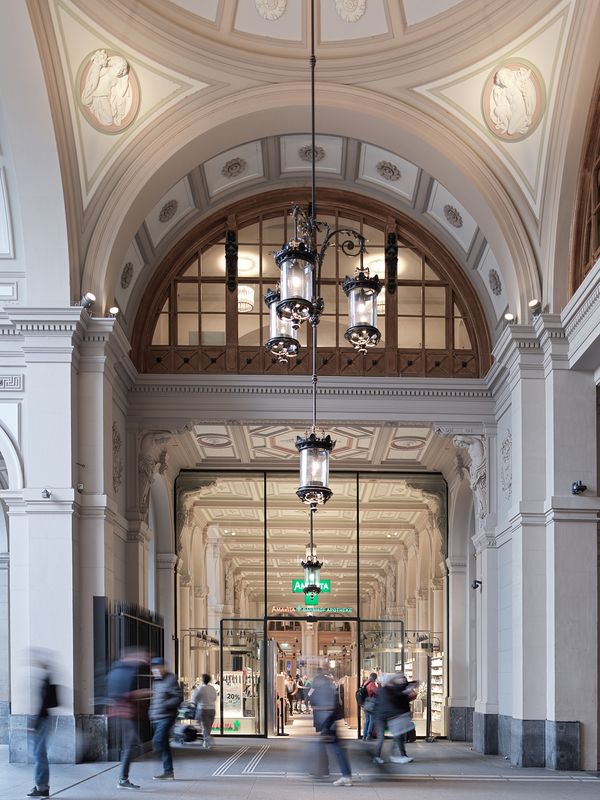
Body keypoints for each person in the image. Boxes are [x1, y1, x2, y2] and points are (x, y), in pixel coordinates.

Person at [106, 648, 150, 790]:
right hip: (125, 713)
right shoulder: (125, 672)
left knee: (129, 745)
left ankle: (123, 778)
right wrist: (144, 693)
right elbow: (124, 694)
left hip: (120, 713)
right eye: (140, 657)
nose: (142, 660)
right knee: (129, 746)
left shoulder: (117, 670)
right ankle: (123, 779)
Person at [308, 668, 353, 786]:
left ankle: (338, 774)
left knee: (335, 748)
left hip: (327, 721)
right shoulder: (329, 684)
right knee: (330, 747)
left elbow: (311, 697)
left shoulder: (319, 684)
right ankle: (325, 771)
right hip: (328, 721)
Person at [27, 661, 59, 798]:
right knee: (40, 754)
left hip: (43, 720)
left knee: (39, 754)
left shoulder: (47, 680)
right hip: (44, 719)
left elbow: (44, 704)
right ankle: (42, 786)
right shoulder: (48, 679)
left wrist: (35, 724)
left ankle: (42, 788)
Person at [148, 657, 182, 780]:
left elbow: (178, 697)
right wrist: (151, 712)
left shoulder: (170, 679)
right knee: (164, 743)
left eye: (157, 668)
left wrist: (165, 705)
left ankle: (163, 764)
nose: (155, 670)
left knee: (157, 741)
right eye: (153, 668)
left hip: (167, 716)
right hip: (156, 716)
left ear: (163, 668)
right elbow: (155, 699)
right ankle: (169, 772)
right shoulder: (156, 681)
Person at [372, 674, 416, 765]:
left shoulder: (390, 689)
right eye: (399, 680)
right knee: (383, 737)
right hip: (383, 717)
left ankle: (402, 755)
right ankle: (377, 757)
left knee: (397, 736)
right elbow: (391, 703)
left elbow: (403, 688)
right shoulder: (386, 690)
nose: (401, 682)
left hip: (387, 717)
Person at [192, 673, 217, 748]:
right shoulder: (212, 688)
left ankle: (207, 739)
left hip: (203, 709)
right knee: (208, 727)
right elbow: (214, 698)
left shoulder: (200, 688)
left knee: (203, 725)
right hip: (212, 709)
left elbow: (194, 699)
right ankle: (206, 742)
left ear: (202, 680)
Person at [361, 672, 380, 741]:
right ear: (375, 678)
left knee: (367, 720)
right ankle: (368, 736)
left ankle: (364, 736)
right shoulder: (371, 684)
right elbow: (378, 692)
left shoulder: (365, 682)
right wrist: (379, 685)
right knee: (372, 720)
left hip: (366, 704)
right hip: (371, 704)